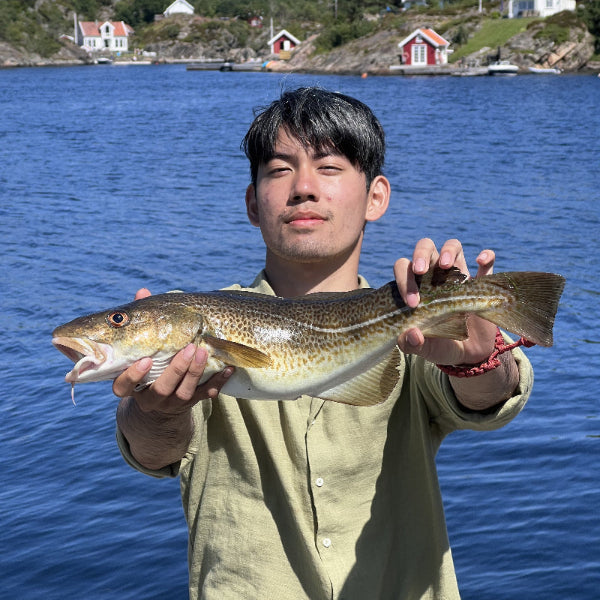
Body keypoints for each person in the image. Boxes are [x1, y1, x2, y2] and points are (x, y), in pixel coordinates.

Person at [114, 87, 532, 600]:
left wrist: (478, 359)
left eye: (329, 167)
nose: (303, 188)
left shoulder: (411, 312)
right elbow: (154, 454)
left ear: (376, 196)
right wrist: (154, 414)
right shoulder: (201, 322)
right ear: (252, 201)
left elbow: (490, 398)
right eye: (278, 169)